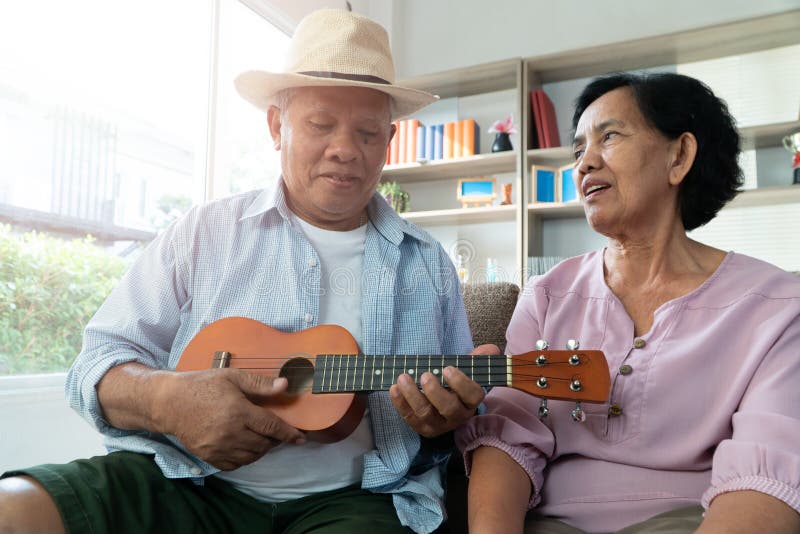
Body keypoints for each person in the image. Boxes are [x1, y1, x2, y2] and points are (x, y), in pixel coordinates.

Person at [0, 9, 489, 534]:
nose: (346, 149)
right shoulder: (201, 232)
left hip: (353, 502)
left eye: (368, 132)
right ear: (277, 126)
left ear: (389, 142)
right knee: (14, 506)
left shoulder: (428, 261)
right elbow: (95, 363)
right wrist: (167, 401)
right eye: (321, 124)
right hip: (186, 484)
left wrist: (445, 422)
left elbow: (459, 431)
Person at [457, 72, 800, 533]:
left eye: (609, 136)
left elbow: (766, 480)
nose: (584, 164)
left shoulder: (776, 307)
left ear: (678, 156)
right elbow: (509, 441)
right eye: (578, 150)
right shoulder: (546, 294)